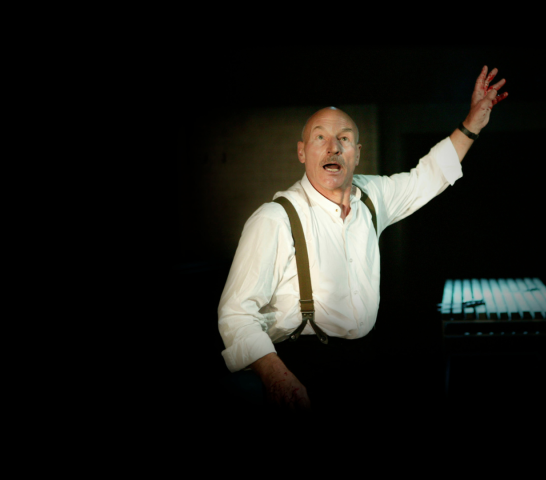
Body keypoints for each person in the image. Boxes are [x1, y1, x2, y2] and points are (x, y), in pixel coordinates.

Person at [217, 66, 508, 414]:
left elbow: (427, 177)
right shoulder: (274, 219)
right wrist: (275, 375)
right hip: (300, 367)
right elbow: (235, 314)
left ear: (357, 151)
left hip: (363, 363)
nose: (332, 147)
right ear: (301, 152)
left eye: (343, 138)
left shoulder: (372, 196)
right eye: (320, 138)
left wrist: (472, 124)